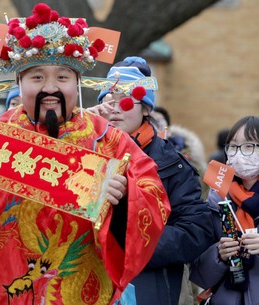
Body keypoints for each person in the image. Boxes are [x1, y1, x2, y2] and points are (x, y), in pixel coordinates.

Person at [0, 3, 170, 304]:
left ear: (77, 84)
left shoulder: (110, 141)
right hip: (3, 293)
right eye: (37, 78)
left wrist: (123, 199)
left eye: (62, 78)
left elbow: (153, 197)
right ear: (18, 83)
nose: (50, 88)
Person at [88, 56, 214, 305]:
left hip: (148, 287)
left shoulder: (172, 164)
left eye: (124, 102)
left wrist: (133, 243)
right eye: (106, 101)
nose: (113, 108)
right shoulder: (83, 152)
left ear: (146, 109)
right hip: (86, 282)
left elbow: (195, 231)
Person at [190, 115, 259, 305]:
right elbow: (197, 274)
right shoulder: (217, 200)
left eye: (249, 146)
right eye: (234, 146)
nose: (239, 153)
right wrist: (218, 255)